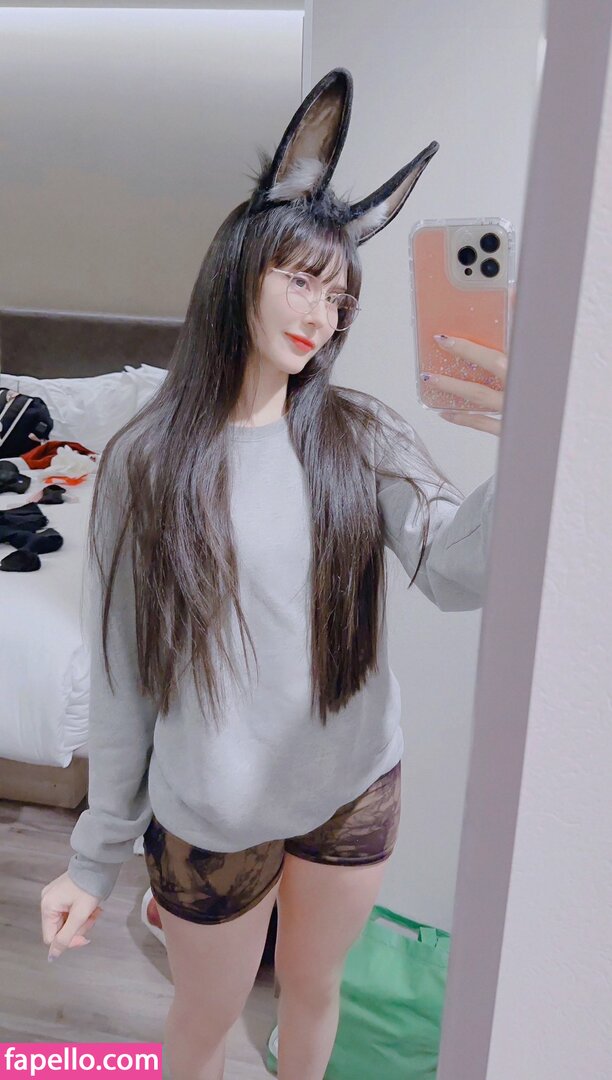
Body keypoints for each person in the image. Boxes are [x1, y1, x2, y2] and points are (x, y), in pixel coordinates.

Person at [40, 68, 507, 1080]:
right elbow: (121, 674)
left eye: (339, 297)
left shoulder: (361, 435)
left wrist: (529, 445)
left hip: (353, 787)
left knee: (314, 991)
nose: (321, 315)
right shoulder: (147, 462)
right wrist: (94, 858)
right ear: (241, 268)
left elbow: (459, 573)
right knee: (204, 1024)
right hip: (210, 813)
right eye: (302, 280)